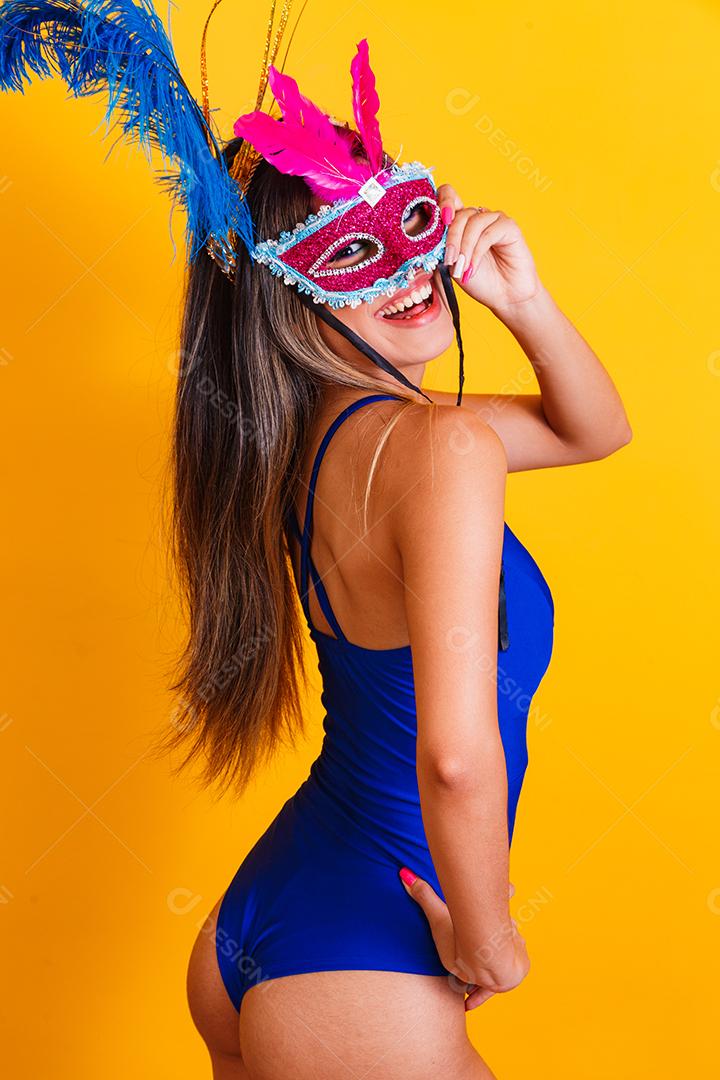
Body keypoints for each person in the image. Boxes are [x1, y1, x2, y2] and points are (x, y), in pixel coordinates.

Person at [0, 4, 631, 1077]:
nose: (407, 271)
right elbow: (457, 756)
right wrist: (489, 937)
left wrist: (524, 299)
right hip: (365, 952)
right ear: (289, 297)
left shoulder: (322, 445)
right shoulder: (441, 449)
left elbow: (592, 431)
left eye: (414, 225)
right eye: (354, 254)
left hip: (275, 923)